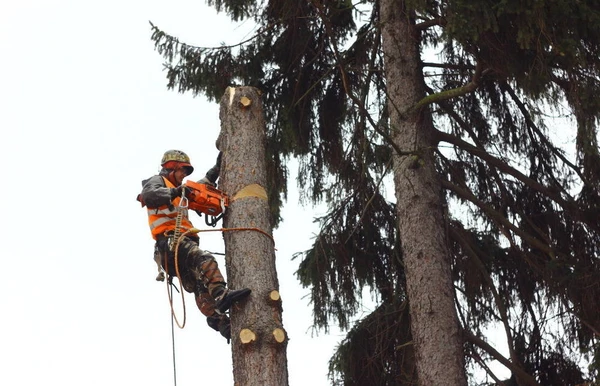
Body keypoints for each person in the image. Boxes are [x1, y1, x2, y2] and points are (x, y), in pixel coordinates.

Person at [137, 149, 251, 342]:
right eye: (182, 171)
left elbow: (198, 190)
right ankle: (221, 294)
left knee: (201, 286)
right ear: (170, 168)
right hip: (170, 242)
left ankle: (219, 322)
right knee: (204, 259)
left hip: (177, 248)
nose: (184, 176)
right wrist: (175, 191)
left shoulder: (179, 191)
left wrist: (215, 170)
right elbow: (148, 195)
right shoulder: (158, 183)